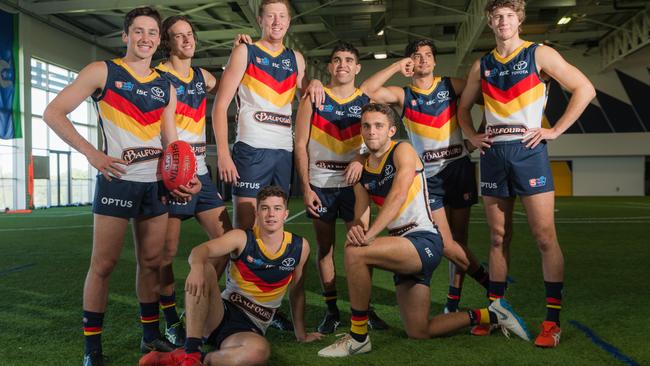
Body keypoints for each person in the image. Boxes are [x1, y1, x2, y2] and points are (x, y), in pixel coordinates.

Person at [43, 7, 198, 365]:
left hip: (155, 184)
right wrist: (92, 154)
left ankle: (149, 336)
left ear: (159, 40)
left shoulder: (165, 86)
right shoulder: (103, 71)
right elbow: (53, 112)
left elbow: (171, 142)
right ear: (125, 36)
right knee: (104, 264)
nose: (145, 38)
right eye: (138, 32)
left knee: (151, 262)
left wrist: (183, 177)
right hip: (117, 182)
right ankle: (92, 348)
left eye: (152, 33)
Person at [317, 103, 530, 357]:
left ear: (391, 130)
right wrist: (359, 230)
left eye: (378, 126)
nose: (372, 131)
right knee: (419, 330)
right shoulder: (362, 172)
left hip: (423, 240)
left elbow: (398, 194)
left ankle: (358, 336)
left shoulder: (403, 150)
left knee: (354, 253)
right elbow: (361, 214)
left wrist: (369, 236)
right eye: (366, 126)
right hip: (402, 248)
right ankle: (493, 314)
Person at [457, 0, 595, 347]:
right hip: (493, 154)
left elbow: (585, 88)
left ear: (518, 20)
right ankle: (495, 311)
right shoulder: (482, 65)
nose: (502, 21)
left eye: (508, 16)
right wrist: (471, 135)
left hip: (528, 151)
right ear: (489, 22)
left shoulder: (539, 54)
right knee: (498, 237)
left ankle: (552, 321)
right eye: (496, 16)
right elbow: (462, 108)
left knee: (545, 236)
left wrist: (555, 130)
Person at [360, 39, 490, 315]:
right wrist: (396, 66)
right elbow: (367, 90)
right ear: (411, 62)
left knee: (460, 241)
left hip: (459, 168)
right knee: (445, 243)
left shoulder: (450, 85)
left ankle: (453, 301)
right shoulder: (404, 95)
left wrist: (476, 136)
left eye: (428, 55)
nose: (423, 60)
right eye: (416, 56)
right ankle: (491, 286)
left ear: (434, 60)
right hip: (429, 178)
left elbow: (488, 100)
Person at [139, 186, 323, 366]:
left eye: (277, 208)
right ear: (257, 213)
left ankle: (183, 358)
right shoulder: (241, 238)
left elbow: (297, 292)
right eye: (265, 208)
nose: (271, 214)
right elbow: (200, 250)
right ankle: (191, 350)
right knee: (205, 268)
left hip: (250, 326)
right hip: (219, 313)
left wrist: (302, 334)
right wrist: (196, 268)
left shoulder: (299, 247)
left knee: (259, 353)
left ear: (286, 214)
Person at [154, 15, 239, 347]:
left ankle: (199, 301)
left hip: (201, 172)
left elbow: (230, 81)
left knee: (228, 241)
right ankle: (171, 317)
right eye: (179, 36)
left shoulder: (203, 77)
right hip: (174, 172)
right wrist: (176, 166)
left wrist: (235, 54)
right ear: (168, 43)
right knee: (165, 254)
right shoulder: (160, 77)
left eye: (190, 34)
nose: (187, 40)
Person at [294, 42, 387, 334]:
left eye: (349, 60)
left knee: (361, 246)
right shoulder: (313, 97)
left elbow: (376, 141)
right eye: (336, 60)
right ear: (330, 66)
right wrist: (306, 188)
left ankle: (365, 309)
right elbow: (299, 144)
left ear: (357, 68)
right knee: (325, 249)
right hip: (321, 185)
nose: (342, 64)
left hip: (354, 186)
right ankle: (332, 310)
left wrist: (361, 158)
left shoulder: (365, 102)